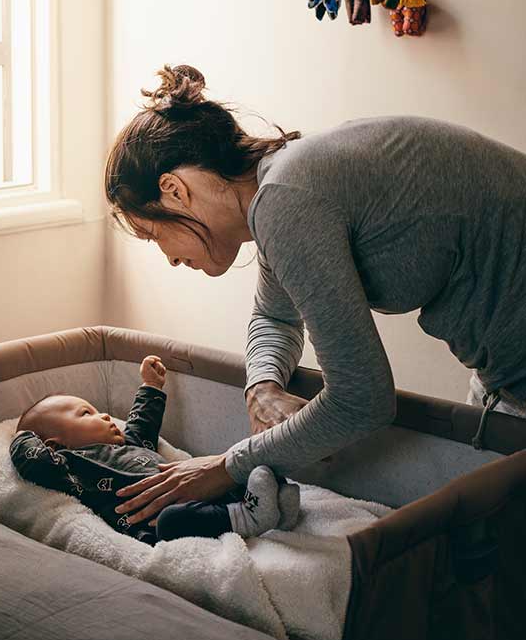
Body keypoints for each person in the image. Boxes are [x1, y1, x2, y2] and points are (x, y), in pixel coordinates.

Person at [104, 64, 526, 526]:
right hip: (501, 366)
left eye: (152, 235)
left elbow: (363, 399)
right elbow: (274, 317)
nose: (167, 257)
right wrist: (262, 387)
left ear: (174, 190)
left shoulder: (285, 201)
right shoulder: (280, 186)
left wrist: (223, 467)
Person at [10, 355, 300, 544]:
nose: (105, 416)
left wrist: (151, 385)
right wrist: (22, 434)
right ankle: (247, 517)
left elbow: (142, 426)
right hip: (157, 522)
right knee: (172, 521)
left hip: (198, 489)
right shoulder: (69, 466)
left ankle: (270, 509)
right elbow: (31, 460)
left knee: (239, 471)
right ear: (55, 445)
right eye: (86, 414)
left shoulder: (129, 444)